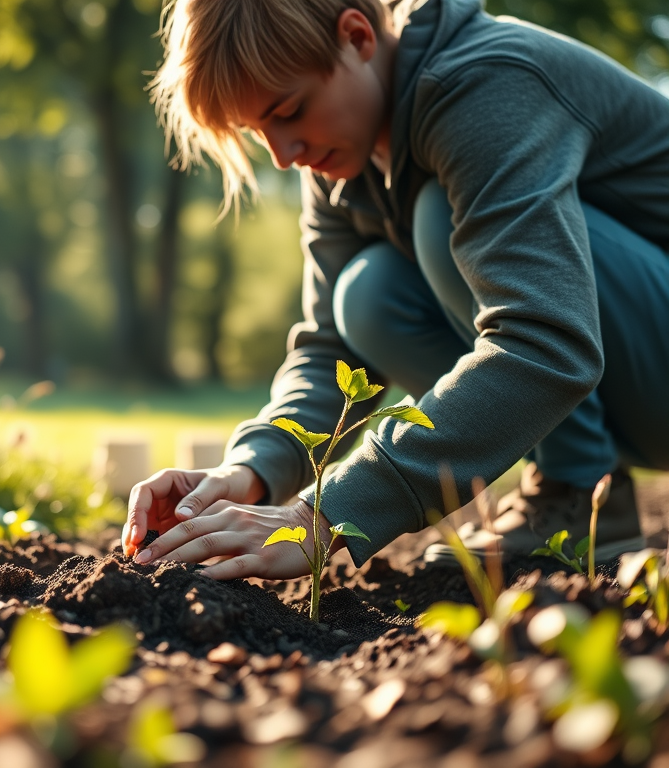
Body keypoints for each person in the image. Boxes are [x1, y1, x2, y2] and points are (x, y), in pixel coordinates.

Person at [120, 0, 669, 580]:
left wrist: (329, 512)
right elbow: (331, 351)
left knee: (436, 219)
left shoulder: (484, 84)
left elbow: (547, 339)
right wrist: (249, 470)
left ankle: (574, 481)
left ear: (356, 37)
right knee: (366, 292)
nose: (284, 155)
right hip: (636, 384)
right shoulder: (339, 160)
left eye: (290, 110)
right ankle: (584, 492)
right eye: (261, 131)